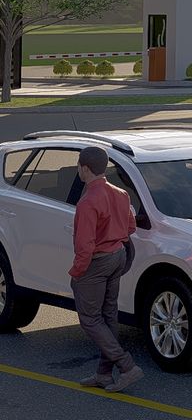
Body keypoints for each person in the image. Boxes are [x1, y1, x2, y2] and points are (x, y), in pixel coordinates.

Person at [71, 146, 141, 392]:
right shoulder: (121, 194)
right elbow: (131, 227)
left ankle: (126, 366)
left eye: (78, 166)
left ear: (85, 168)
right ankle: (103, 373)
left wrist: (77, 272)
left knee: (90, 319)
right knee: (108, 315)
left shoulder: (88, 201)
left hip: (97, 262)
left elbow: (84, 244)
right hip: (118, 257)